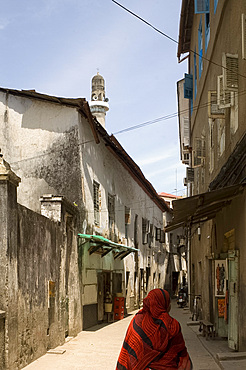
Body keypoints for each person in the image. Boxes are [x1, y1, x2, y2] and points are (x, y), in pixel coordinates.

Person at [116, 289, 192, 370]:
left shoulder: (138, 320)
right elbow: (181, 352)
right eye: (168, 302)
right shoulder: (172, 324)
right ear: (164, 304)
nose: (170, 305)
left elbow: (129, 351)